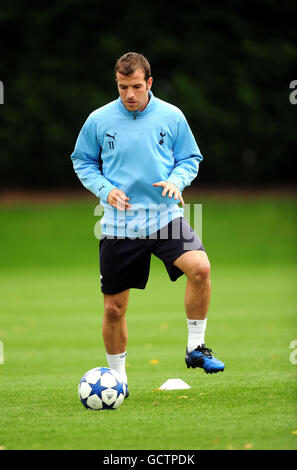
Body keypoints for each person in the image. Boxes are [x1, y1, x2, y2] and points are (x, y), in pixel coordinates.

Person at [70, 52, 224, 393]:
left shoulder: (172, 116)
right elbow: (82, 161)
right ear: (117, 84)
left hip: (165, 215)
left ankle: (196, 348)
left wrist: (177, 181)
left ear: (149, 83)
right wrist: (105, 189)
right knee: (114, 308)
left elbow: (190, 158)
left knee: (200, 268)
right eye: (123, 87)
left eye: (136, 86)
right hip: (118, 224)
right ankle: (117, 380)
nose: (130, 95)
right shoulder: (99, 120)